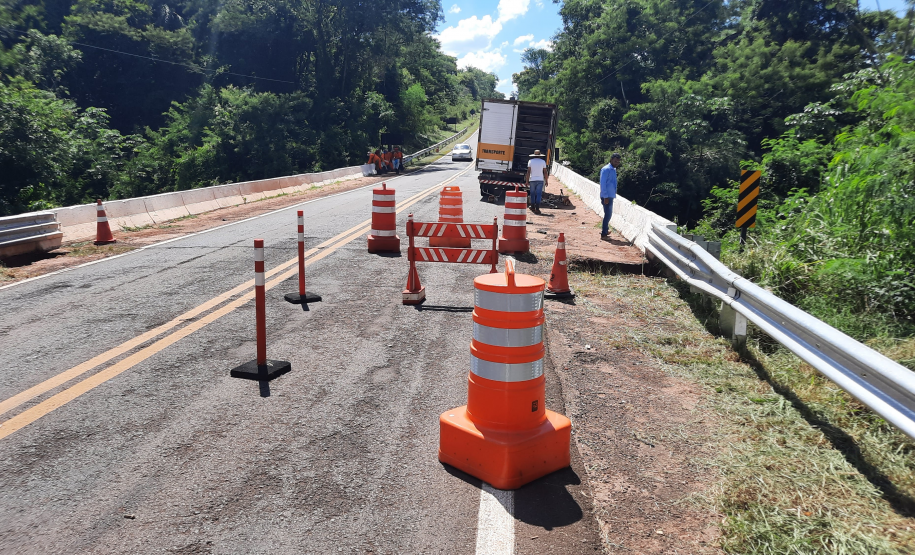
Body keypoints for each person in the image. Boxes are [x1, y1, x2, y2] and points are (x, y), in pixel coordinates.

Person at [599, 153, 621, 238]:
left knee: (608, 214)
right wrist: (605, 196)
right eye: (615, 161)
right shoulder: (606, 169)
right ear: (611, 160)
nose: (616, 163)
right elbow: (603, 183)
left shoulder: (613, 169)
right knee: (608, 214)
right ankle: (604, 233)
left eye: (618, 162)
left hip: (610, 195)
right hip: (607, 196)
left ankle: (605, 229)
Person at [525, 150, 548, 214]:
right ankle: (537, 208)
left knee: (532, 194)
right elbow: (545, 172)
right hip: (540, 180)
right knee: (538, 194)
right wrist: (546, 180)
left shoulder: (530, 161)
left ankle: (532, 207)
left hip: (532, 180)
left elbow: (528, 172)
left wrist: (527, 181)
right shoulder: (543, 162)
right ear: (540, 155)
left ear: (534, 155)